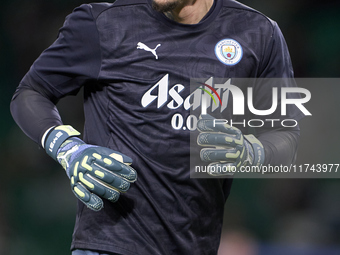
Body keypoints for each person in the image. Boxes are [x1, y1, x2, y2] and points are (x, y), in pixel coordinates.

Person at [10, 0, 304, 254]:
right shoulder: (103, 23)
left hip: (196, 244)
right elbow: (31, 92)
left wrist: (254, 153)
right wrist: (67, 148)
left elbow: (288, 136)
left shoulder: (258, 34)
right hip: (109, 243)